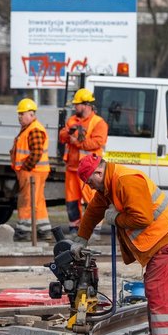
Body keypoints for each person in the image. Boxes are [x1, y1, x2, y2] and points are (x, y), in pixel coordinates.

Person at [71, 153, 168, 335]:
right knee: (154, 288)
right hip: (161, 240)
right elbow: (94, 210)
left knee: (159, 289)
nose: (90, 187)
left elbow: (142, 218)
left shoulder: (126, 181)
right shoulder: (108, 184)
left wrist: (115, 219)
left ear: (98, 172)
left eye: (90, 182)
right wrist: (81, 238)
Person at [59, 88, 108, 234]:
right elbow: (62, 136)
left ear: (86, 105)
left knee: (91, 200)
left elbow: (96, 143)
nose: (75, 107)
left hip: (89, 171)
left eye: (77, 104)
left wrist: (77, 142)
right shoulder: (72, 120)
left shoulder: (99, 123)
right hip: (72, 168)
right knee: (72, 201)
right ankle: (75, 228)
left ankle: (94, 230)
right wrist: (68, 133)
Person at [9, 98, 53, 240]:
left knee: (26, 201)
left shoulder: (34, 129)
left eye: (23, 114)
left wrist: (25, 169)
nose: (20, 117)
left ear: (32, 115)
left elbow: (36, 153)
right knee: (37, 201)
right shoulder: (30, 128)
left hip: (32, 172)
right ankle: (44, 230)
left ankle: (23, 231)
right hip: (36, 171)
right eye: (19, 114)